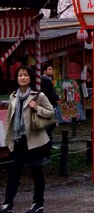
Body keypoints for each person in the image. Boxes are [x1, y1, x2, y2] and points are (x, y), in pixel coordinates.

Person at [2, 65, 54, 213]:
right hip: (19, 140)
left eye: (25, 75)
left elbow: (51, 112)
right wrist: (8, 140)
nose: (22, 78)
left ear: (30, 78)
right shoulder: (13, 96)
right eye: (19, 75)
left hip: (35, 141)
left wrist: (37, 107)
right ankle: (7, 204)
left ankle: (38, 204)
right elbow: (9, 120)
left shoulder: (38, 96)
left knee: (36, 173)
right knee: (14, 173)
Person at [39, 62, 59, 149]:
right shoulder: (45, 81)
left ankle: (49, 144)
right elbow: (49, 94)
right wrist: (57, 97)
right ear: (44, 71)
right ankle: (47, 144)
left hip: (49, 104)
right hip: (48, 105)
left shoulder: (47, 80)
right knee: (50, 125)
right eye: (49, 69)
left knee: (50, 125)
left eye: (52, 69)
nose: (51, 71)